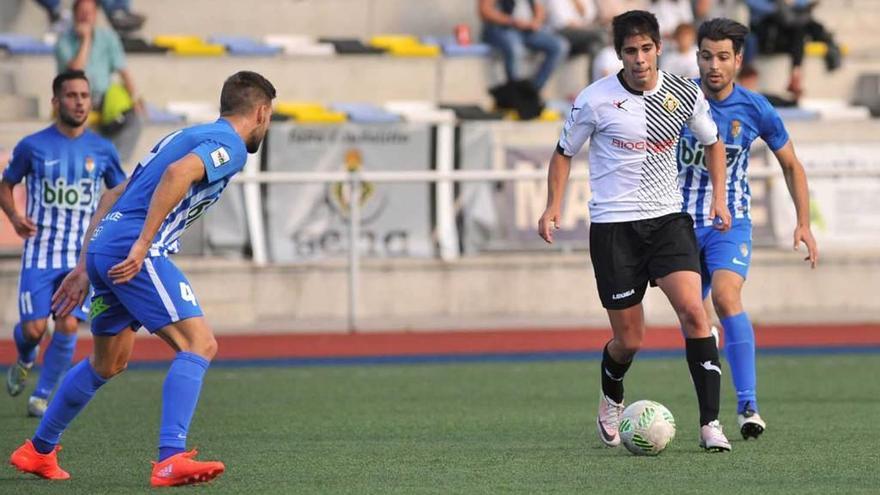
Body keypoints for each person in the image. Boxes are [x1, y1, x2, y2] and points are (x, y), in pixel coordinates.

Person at [9, 70, 277, 487]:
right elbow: (177, 177)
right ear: (260, 112)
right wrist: (141, 245)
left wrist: (84, 266)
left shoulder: (183, 136)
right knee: (200, 343)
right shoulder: (229, 145)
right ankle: (170, 457)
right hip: (134, 250)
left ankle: (39, 450)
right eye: (270, 116)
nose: (268, 123)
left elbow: (113, 195)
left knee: (108, 361)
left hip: (104, 248)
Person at [538, 10, 734, 452]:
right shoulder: (595, 99)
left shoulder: (685, 93)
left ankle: (710, 425)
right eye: (631, 50)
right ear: (619, 54)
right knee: (630, 339)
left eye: (647, 49)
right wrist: (553, 206)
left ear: (659, 48)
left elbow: (713, 142)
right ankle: (611, 395)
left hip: (667, 220)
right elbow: (564, 151)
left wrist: (718, 198)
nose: (640, 58)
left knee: (694, 313)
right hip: (614, 228)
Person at [677, 17, 818, 439]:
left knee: (725, 295)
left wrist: (804, 223)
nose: (713, 66)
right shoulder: (676, 99)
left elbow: (791, 165)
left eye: (723, 57)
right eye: (706, 56)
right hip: (676, 225)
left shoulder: (756, 108)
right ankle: (711, 396)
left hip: (728, 223)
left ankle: (748, 405)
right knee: (693, 317)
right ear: (697, 57)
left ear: (738, 59)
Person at [2, 70, 126, 418]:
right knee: (34, 328)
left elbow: (119, 193)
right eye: (71, 96)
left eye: (84, 96)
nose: (79, 102)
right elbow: (5, 184)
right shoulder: (32, 146)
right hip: (40, 254)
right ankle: (26, 355)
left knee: (68, 324)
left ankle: (42, 395)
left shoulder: (102, 149)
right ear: (56, 101)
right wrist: (14, 217)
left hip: (79, 258)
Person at [55, 0, 144, 162]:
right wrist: (86, 40)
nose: (86, 17)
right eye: (82, 12)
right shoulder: (64, 41)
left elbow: (123, 70)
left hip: (103, 96)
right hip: (73, 96)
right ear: (75, 15)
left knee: (135, 118)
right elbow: (75, 72)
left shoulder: (108, 37)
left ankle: (116, 161)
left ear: (96, 15)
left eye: (90, 12)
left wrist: (135, 98)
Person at [744, 0, 842, 100]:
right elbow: (765, 9)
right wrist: (782, 4)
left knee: (799, 30)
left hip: (786, 34)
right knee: (801, 26)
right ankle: (796, 73)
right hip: (766, 37)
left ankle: (796, 73)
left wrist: (790, 4)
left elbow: (804, 4)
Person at [479, 0, 570, 91]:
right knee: (515, 48)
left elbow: (539, 9)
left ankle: (532, 91)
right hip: (502, 28)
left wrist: (536, 22)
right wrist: (512, 21)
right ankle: (515, 92)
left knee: (559, 45)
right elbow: (485, 10)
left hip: (527, 30)